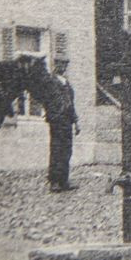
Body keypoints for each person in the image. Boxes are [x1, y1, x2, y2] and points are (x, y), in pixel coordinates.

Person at [44, 56, 80, 192]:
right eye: (61, 64)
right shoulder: (51, 82)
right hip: (57, 121)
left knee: (67, 151)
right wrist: (53, 116)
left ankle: (64, 180)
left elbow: (71, 104)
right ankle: (54, 181)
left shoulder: (66, 83)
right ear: (55, 64)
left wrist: (76, 122)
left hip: (67, 121)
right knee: (56, 150)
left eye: (65, 65)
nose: (63, 67)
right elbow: (47, 102)